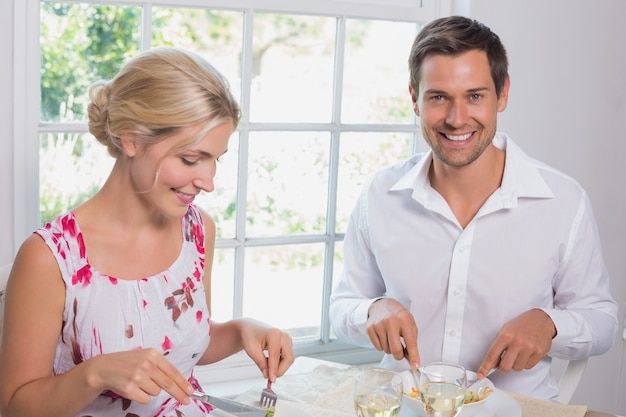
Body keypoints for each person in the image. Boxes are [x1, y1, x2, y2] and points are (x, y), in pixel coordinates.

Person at [329, 15, 618, 401]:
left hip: (518, 410)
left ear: (503, 94)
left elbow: (602, 322)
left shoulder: (564, 201)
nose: (456, 118)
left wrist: (550, 324)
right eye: (438, 97)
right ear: (414, 99)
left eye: (475, 96)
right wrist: (372, 311)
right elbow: (341, 308)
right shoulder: (379, 195)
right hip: (405, 408)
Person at [0, 47, 294, 417]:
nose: (208, 181)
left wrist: (242, 331)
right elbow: (15, 407)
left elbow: (178, 348)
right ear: (132, 139)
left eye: (215, 159)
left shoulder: (197, 230)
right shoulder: (51, 258)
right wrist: (95, 374)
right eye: (191, 159)